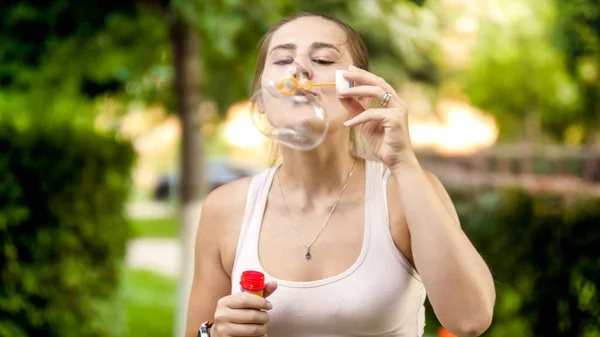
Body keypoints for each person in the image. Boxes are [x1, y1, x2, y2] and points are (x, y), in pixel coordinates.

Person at [185, 12, 496, 337]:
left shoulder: (403, 193)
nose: (300, 69)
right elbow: (197, 333)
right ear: (262, 99)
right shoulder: (225, 209)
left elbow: (470, 320)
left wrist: (403, 162)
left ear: (360, 90)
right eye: (282, 60)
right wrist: (214, 333)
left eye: (321, 58)